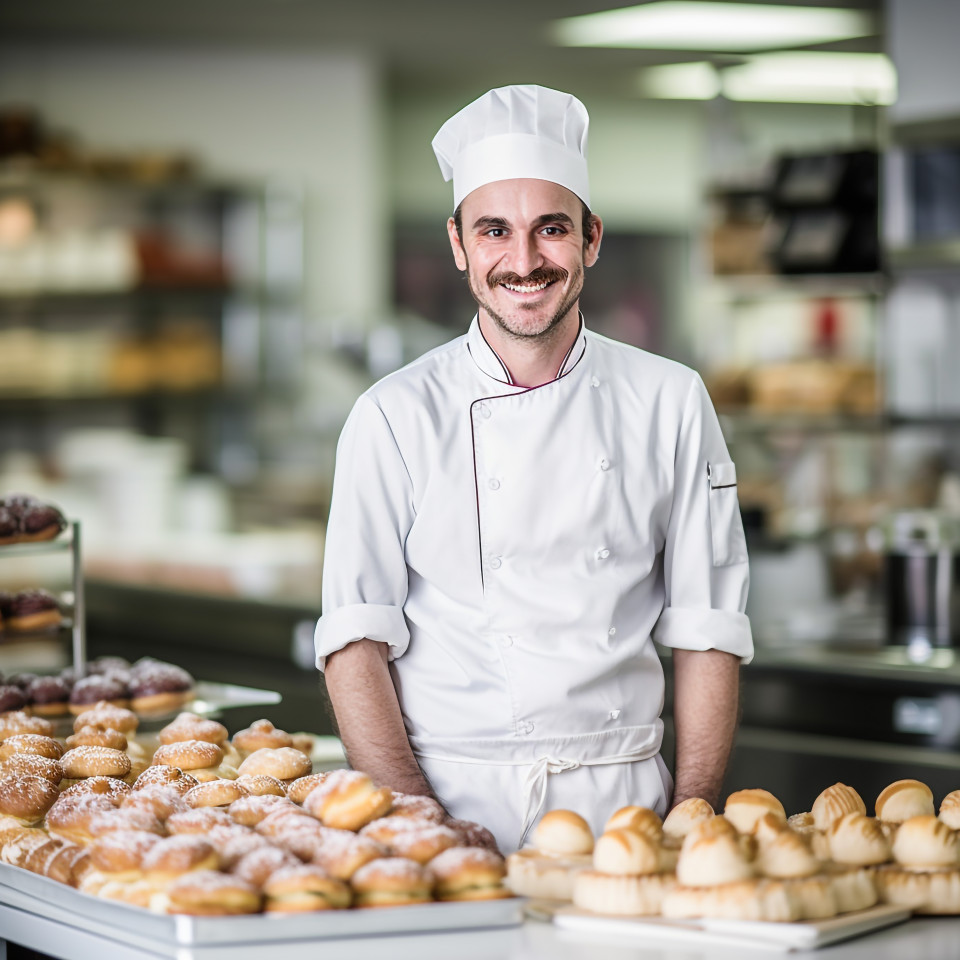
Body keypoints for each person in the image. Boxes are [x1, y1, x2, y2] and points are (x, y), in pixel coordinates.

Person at [316, 84, 752, 854]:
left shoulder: (672, 400)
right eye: (495, 231)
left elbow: (709, 629)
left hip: (626, 809)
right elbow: (355, 643)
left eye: (551, 228)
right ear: (459, 244)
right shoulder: (393, 415)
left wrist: (690, 818)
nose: (523, 262)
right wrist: (422, 828)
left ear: (591, 238)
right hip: (450, 802)